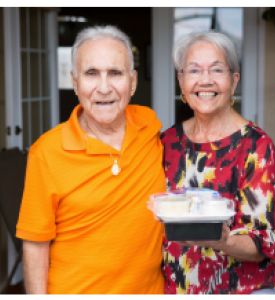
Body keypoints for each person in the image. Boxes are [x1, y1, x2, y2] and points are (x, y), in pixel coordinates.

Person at [16, 25, 166, 294]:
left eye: (115, 73)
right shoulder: (47, 152)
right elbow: (35, 244)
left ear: (132, 82)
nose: (104, 88)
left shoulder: (150, 129)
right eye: (92, 74)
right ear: (75, 83)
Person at [161, 31, 275, 294]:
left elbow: (264, 243)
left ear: (234, 80)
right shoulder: (167, 142)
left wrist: (221, 239)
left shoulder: (256, 147)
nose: (205, 80)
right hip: (177, 288)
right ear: (181, 81)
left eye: (217, 70)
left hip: (241, 290)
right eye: (194, 70)